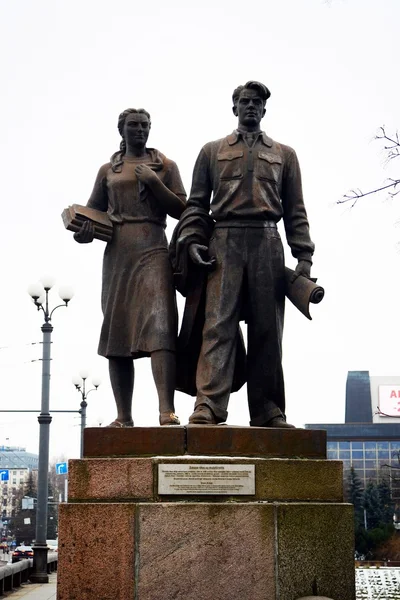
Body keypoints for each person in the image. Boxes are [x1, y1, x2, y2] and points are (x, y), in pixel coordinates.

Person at [173, 81, 314, 427]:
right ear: (234, 107)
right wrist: (192, 240)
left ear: (264, 110)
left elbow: (296, 210)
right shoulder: (211, 151)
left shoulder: (285, 154)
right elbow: (195, 204)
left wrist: (304, 257)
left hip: (267, 241)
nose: (250, 106)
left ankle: (268, 409)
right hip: (224, 240)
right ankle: (208, 405)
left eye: (256, 102)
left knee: (267, 330)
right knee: (217, 324)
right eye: (244, 101)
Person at [74, 108, 186, 426]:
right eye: (133, 125)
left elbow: (183, 208)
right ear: (121, 130)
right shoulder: (108, 170)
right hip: (118, 253)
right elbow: (93, 213)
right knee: (118, 332)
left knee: (160, 326)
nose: (140, 130)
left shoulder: (164, 166)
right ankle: (124, 416)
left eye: (145, 125)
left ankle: (167, 409)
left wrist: (153, 182)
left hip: (153, 246)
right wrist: (84, 233)